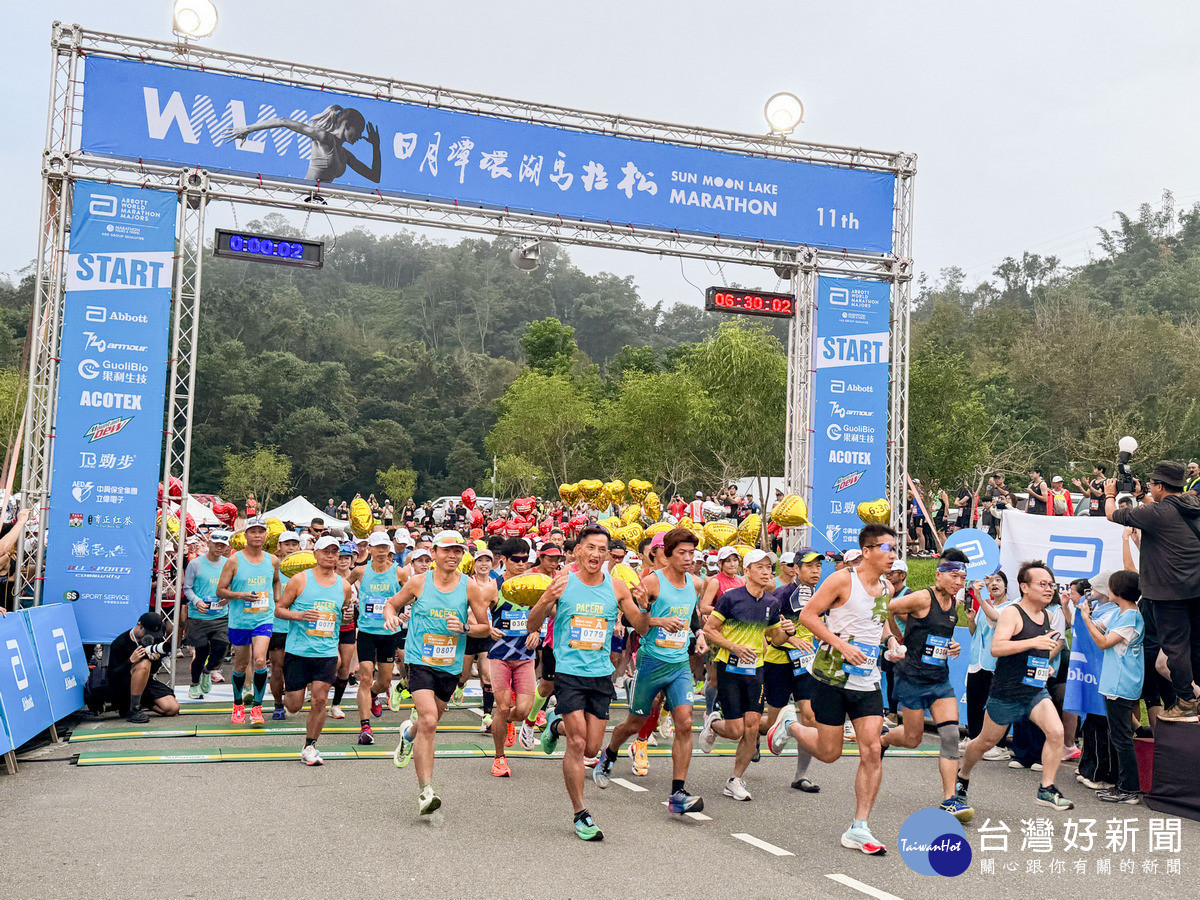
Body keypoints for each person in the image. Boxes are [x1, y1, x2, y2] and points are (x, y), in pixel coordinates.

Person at [767, 524, 895, 855]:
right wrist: (841, 644)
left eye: (895, 548)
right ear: (867, 551)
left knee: (871, 750)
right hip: (832, 676)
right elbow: (809, 616)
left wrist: (894, 642)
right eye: (886, 548)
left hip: (866, 680)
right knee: (829, 752)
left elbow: (877, 627)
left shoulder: (887, 589)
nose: (893, 554)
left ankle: (860, 826)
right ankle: (789, 725)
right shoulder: (842, 580)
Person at [527, 525, 649, 841]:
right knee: (578, 744)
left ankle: (554, 727)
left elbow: (642, 628)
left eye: (602, 549)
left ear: (607, 555)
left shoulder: (618, 587)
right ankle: (581, 813)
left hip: (600, 675)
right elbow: (532, 622)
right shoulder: (562, 583)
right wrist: (545, 601)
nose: (596, 554)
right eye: (590, 547)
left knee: (593, 746)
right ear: (578, 550)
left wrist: (646, 605)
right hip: (568, 673)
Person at [594, 528, 705, 815]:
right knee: (634, 722)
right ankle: (609, 753)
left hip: (679, 664)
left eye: (692, 553)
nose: (688, 558)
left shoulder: (695, 584)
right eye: (682, 552)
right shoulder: (652, 582)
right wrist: (654, 617)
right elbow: (637, 625)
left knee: (684, 721)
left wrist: (701, 633)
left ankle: (677, 792)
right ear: (666, 554)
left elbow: (694, 616)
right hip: (652, 661)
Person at [384, 531, 491, 816]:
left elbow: (485, 627)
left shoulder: (469, 587)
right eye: (447, 550)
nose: (453, 555)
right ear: (434, 553)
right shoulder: (419, 582)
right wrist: (391, 617)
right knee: (429, 719)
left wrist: (466, 628)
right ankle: (426, 791)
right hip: (420, 661)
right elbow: (391, 603)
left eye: (457, 551)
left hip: (450, 666)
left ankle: (408, 734)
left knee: (427, 724)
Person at [956, 560, 1074, 812]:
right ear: (1024, 587)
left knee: (1056, 732)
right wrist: (1034, 641)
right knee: (984, 742)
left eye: (1050, 585)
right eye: (1042, 584)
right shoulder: (1012, 613)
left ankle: (1047, 788)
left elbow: (1040, 648)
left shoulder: (1047, 615)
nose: (1048, 589)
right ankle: (962, 776)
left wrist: (1046, 665)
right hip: (1006, 693)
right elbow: (997, 647)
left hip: (1034, 691)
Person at [880, 548, 974, 822]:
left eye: (963, 578)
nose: (959, 582)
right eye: (954, 576)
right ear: (939, 575)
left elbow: (940, 637)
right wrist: (894, 637)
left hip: (939, 680)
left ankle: (949, 800)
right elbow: (883, 609)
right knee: (912, 739)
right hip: (911, 677)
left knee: (950, 736)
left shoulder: (955, 605)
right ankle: (884, 738)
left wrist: (952, 645)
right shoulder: (922, 598)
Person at [1106, 461, 1200, 721]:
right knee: (1196, 644)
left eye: (1151, 485)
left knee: (1175, 647)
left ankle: (1187, 700)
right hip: (1196, 589)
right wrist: (1141, 496)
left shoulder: (1155, 513)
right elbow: (1165, 508)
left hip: (1169, 593)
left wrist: (1110, 493)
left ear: (1159, 486)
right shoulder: (1194, 505)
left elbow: (1111, 514)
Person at [698, 548, 780, 801]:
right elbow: (710, 629)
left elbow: (775, 637)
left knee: (753, 728)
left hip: (756, 669)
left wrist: (787, 632)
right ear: (748, 571)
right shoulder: (731, 598)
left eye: (769, 568)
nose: (767, 572)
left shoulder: (772, 603)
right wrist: (734, 647)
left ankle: (735, 779)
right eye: (761, 567)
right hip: (729, 667)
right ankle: (713, 723)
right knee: (735, 730)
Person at [274, 535, 352, 765]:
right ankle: (294, 695)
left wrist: (347, 615)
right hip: (298, 651)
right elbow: (279, 610)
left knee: (320, 700)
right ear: (315, 554)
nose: (330, 556)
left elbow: (343, 613)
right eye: (326, 551)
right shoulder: (299, 580)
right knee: (294, 705)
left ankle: (310, 746)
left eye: (335, 552)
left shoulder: (344, 585)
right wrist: (299, 615)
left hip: (326, 653)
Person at [1078, 570, 1145, 803]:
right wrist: (1080, 612)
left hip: (1122, 683)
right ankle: (1123, 785)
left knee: (1122, 738)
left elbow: (1104, 642)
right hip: (1115, 682)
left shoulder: (1131, 617)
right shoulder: (1120, 612)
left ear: (1117, 591)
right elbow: (1099, 627)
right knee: (1120, 736)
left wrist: (1086, 618)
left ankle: (1129, 790)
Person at [760, 547, 823, 792]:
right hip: (779, 662)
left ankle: (800, 776)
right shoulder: (782, 595)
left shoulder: (821, 594)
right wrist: (788, 638)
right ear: (796, 569)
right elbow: (765, 629)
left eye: (818, 566)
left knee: (809, 716)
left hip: (805, 664)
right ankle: (753, 734)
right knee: (769, 721)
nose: (815, 570)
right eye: (809, 566)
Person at [216, 517, 281, 727]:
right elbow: (220, 591)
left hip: (263, 617)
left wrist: (277, 599)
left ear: (266, 536)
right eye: (253, 532)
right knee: (242, 663)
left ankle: (257, 708)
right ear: (245, 536)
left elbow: (276, 580)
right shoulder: (234, 560)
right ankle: (237, 705)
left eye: (261, 532)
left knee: (260, 660)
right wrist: (240, 595)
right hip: (240, 619)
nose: (257, 535)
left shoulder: (272, 560)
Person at [227, 105, 382, 184]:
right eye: (359, 130)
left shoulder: (345, 155)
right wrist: (248, 129)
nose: (361, 136)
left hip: (319, 203)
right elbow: (283, 121)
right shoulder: (324, 137)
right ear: (347, 125)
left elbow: (374, 177)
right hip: (304, 195)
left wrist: (376, 147)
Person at [483, 548, 536, 776]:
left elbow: (542, 612)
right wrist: (487, 628)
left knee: (523, 710)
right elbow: (476, 612)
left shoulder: (533, 585)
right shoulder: (494, 586)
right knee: (503, 707)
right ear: (504, 560)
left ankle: (506, 722)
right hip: (500, 655)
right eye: (517, 559)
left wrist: (538, 632)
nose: (522, 564)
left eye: (525, 560)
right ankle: (499, 758)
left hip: (525, 655)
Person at [347, 531, 403, 745]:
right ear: (369, 549)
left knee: (385, 681)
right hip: (367, 632)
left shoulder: (399, 573)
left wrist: (406, 612)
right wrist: (347, 606)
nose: (381, 552)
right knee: (365, 676)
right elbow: (343, 586)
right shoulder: (360, 571)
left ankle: (373, 695)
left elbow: (414, 593)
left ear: (389, 550)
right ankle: (365, 726)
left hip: (389, 633)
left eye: (384, 548)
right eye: (377, 547)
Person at [183, 530, 232, 700]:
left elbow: (232, 586)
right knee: (201, 653)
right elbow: (187, 588)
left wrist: (228, 597)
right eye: (216, 544)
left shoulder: (228, 563)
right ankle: (195, 684)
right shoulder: (195, 564)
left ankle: (208, 670)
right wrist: (196, 601)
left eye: (223, 545)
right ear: (209, 544)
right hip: (199, 615)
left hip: (221, 615)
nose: (219, 548)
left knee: (221, 647)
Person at [107, 612, 181, 723]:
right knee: (143, 664)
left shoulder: (155, 639)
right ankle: (134, 710)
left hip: (145, 682)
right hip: (123, 685)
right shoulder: (120, 643)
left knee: (172, 708)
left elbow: (154, 670)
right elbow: (112, 676)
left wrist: (155, 660)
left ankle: (142, 703)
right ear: (139, 625)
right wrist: (130, 661)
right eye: (147, 632)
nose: (149, 636)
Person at [267, 531, 301, 719]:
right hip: (278, 625)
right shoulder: (273, 566)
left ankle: (294, 699)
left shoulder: (305, 569)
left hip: (300, 626)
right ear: (279, 546)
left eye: (294, 544)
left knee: (296, 667)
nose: (291, 547)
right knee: (277, 667)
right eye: (287, 544)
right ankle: (278, 704)